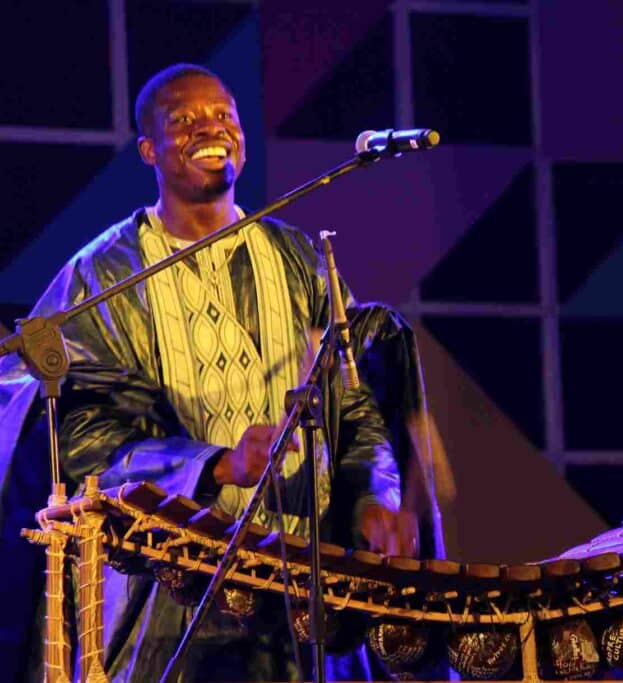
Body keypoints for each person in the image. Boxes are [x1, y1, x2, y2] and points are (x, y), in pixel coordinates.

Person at [0, 63, 418, 681]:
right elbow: (77, 439)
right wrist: (217, 465)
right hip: (165, 604)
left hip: (301, 594)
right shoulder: (105, 275)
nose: (210, 129)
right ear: (149, 149)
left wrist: (372, 497)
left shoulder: (299, 258)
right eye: (185, 120)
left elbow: (353, 406)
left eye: (223, 115)